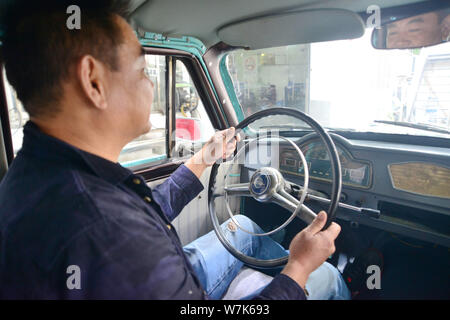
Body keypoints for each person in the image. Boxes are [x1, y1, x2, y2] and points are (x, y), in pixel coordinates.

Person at [0, 0, 349, 299]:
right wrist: (299, 268)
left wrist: (202, 159)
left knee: (243, 225)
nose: (150, 84)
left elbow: (145, 213)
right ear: (93, 81)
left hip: (165, 274)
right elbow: (126, 234)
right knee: (328, 276)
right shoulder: (111, 234)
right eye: (141, 69)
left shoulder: (36, 173)